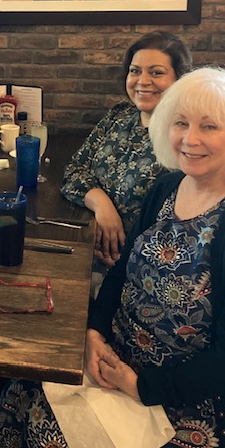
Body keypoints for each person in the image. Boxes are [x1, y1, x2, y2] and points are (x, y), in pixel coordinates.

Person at [0, 67, 225, 448]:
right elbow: (121, 274)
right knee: (26, 382)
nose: (190, 139)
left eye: (209, 127)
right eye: (181, 123)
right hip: (118, 355)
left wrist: (141, 386)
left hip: (186, 400)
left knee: (53, 437)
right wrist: (94, 333)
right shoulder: (167, 188)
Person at [61, 31, 192, 292]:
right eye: (135, 71)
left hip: (142, 276)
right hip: (86, 252)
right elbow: (75, 170)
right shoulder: (119, 116)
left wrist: (125, 263)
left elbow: (182, 231)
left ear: (180, 79)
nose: (142, 81)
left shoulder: (187, 138)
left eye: (156, 72)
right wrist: (101, 205)